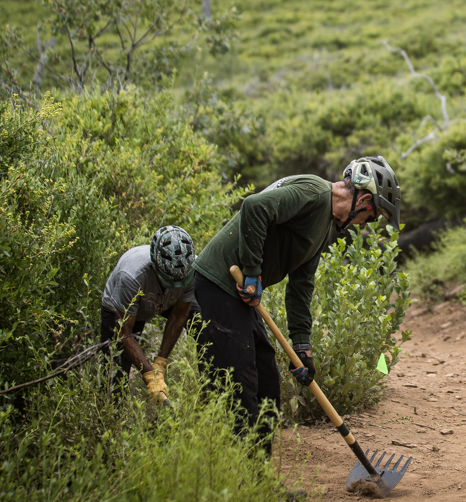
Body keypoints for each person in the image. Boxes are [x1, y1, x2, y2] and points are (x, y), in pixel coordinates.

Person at [192, 156, 400, 434]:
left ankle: (257, 470)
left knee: (267, 382)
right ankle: (237, 468)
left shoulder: (326, 226)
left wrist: (302, 347)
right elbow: (254, 207)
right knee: (240, 385)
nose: (364, 225)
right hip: (217, 283)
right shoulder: (313, 192)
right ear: (363, 201)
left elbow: (301, 285)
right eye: (370, 217)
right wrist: (253, 270)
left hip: (240, 295)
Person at [100, 226, 199, 403]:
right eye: (169, 280)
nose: (174, 285)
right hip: (125, 309)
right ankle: (111, 414)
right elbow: (124, 332)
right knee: (115, 373)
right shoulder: (131, 275)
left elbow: (179, 315)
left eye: (178, 281)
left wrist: (160, 363)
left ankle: (214, 385)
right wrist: (150, 375)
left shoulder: (190, 269)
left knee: (204, 321)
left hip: (164, 300)